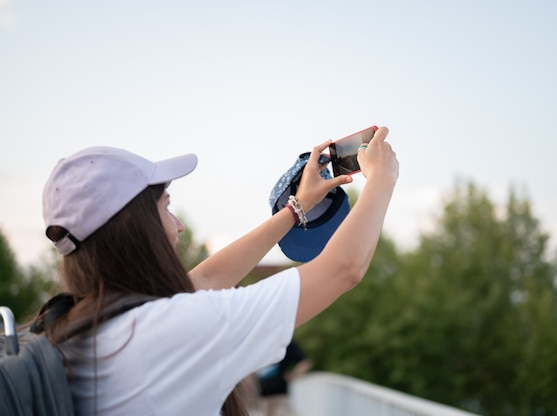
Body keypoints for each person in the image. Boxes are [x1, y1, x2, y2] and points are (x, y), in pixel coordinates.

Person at [39, 126, 398, 415]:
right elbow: (342, 268)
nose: (178, 226)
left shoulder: (76, 325)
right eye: (166, 208)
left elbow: (205, 280)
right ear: (137, 227)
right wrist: (381, 178)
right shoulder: (171, 332)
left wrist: (295, 209)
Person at [256, 340, 312, 416]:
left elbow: (305, 363)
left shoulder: (286, 343)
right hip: (262, 394)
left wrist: (292, 376)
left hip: (279, 393)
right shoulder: (262, 343)